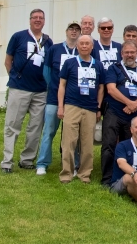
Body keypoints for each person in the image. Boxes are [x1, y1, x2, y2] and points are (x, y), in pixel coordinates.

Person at [1, 8, 53, 173]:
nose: (38, 20)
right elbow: (8, 61)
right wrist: (15, 79)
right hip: (20, 89)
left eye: (41, 18)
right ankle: (7, 162)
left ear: (44, 21)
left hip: (40, 90)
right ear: (30, 20)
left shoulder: (48, 41)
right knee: (13, 125)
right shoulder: (18, 37)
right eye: (35, 17)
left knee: (36, 126)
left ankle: (27, 159)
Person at [101, 39, 137, 185]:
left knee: (129, 148)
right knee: (109, 145)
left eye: (132, 52)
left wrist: (135, 104)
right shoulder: (114, 68)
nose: (129, 55)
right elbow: (111, 89)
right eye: (126, 52)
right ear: (121, 53)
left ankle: (125, 178)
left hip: (134, 115)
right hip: (114, 112)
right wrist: (129, 103)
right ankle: (106, 179)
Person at [57, 35, 105, 183]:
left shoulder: (98, 65)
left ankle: (84, 174)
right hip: (72, 106)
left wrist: (98, 108)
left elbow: (101, 88)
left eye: (87, 44)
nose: (84, 46)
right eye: (81, 43)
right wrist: (60, 106)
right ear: (77, 46)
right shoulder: (70, 63)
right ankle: (66, 173)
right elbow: (62, 85)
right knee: (69, 141)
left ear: (92, 47)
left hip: (90, 108)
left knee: (87, 143)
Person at [36, 21, 80, 175]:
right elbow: (46, 73)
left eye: (77, 29)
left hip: (74, 100)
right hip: (54, 99)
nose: (74, 32)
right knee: (48, 131)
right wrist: (55, 87)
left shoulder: (83, 51)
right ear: (66, 31)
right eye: (71, 29)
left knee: (73, 134)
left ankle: (74, 165)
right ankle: (42, 163)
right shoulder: (55, 49)